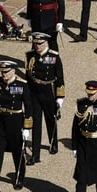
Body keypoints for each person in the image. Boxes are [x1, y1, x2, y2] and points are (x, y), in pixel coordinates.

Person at [0, 60, 33, 192]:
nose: (4, 74)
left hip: (15, 123)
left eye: (6, 72)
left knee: (17, 153)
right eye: (2, 72)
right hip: (0, 123)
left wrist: (27, 127)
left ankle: (19, 177)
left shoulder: (22, 85)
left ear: (13, 71)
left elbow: (28, 107)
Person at [25, 32, 65, 162]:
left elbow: (60, 78)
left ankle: (53, 142)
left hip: (48, 90)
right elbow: (27, 78)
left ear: (46, 43)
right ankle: (35, 154)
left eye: (40, 43)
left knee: (50, 118)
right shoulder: (30, 56)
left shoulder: (53, 57)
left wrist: (60, 97)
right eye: (35, 43)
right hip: (34, 92)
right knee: (36, 122)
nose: (37, 46)